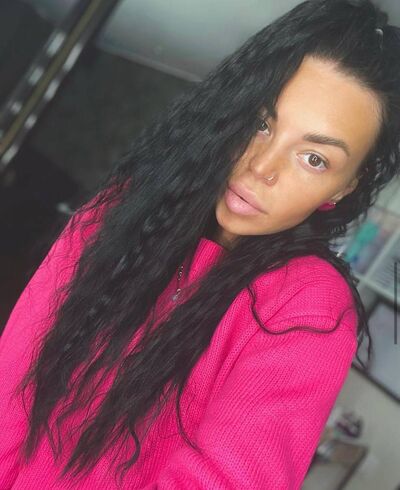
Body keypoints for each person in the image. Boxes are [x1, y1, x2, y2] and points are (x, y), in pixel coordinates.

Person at [0, 0, 399, 488]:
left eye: (314, 158)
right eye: (261, 123)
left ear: (345, 186)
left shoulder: (306, 304)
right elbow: (14, 375)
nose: (261, 167)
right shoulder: (122, 210)